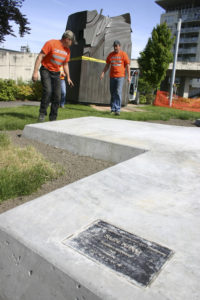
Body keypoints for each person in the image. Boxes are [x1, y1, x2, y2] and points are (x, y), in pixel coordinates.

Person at [32, 30, 75, 121]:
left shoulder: (67, 51)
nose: (72, 44)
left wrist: (69, 78)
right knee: (48, 91)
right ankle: (42, 113)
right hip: (46, 70)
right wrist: (35, 72)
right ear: (67, 39)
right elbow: (40, 56)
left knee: (57, 96)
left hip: (56, 73)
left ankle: (53, 118)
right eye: (72, 41)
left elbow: (65, 64)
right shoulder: (51, 43)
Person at [100, 40, 131, 115]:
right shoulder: (111, 55)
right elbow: (107, 65)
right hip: (112, 77)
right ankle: (113, 108)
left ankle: (117, 109)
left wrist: (129, 77)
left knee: (118, 92)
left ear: (119, 46)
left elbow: (127, 66)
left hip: (120, 77)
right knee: (112, 93)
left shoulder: (124, 55)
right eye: (114, 46)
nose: (115, 48)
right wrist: (103, 73)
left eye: (117, 46)